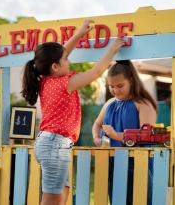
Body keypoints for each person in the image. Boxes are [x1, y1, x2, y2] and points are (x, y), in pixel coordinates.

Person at [21, 20, 125, 205]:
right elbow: (96, 72)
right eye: (66, 60)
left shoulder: (46, 79)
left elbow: (62, 52)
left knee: (64, 193)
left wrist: (79, 34)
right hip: (55, 145)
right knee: (52, 200)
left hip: (51, 143)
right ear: (55, 66)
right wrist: (113, 49)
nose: (68, 60)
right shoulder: (65, 83)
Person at [92, 60, 157, 205]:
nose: (115, 90)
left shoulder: (143, 104)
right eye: (111, 86)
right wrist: (96, 137)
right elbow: (97, 124)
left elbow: (146, 135)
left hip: (137, 164)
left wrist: (117, 135)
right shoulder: (109, 103)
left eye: (120, 86)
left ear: (132, 81)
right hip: (112, 164)